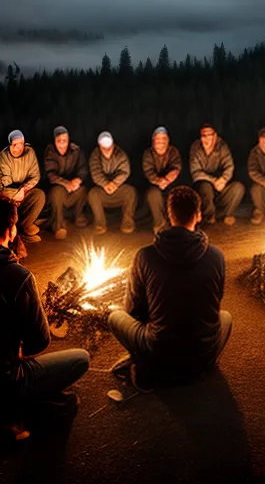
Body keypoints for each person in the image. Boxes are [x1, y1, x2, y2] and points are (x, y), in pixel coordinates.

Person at [0, 194, 90, 431]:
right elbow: (39, 342)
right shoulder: (19, 276)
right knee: (80, 359)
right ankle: (10, 409)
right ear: (11, 230)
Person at [108, 185, 231, 389]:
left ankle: (147, 364)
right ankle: (201, 365)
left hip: (160, 351)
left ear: (169, 215)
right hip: (202, 352)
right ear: (198, 215)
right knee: (225, 317)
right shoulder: (216, 256)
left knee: (115, 317)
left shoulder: (145, 256)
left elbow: (132, 310)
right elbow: (216, 302)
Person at [0, 129, 46, 244]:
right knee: (7, 206)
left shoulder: (29, 153)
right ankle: (14, 234)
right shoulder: (3, 156)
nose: (18, 147)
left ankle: (24, 227)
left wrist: (24, 189)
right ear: (11, 144)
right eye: (15, 144)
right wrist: (16, 193)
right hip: (8, 192)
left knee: (39, 195)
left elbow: (35, 175)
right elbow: (6, 181)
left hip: (24, 191)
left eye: (21, 144)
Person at [189, 123, 245, 226]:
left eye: (209, 135)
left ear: (215, 136)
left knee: (238, 188)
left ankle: (226, 214)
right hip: (205, 188)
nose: (206, 139)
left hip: (220, 187)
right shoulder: (195, 147)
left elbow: (229, 166)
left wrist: (223, 179)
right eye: (203, 136)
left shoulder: (222, 146)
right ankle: (209, 218)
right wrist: (213, 180)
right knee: (205, 186)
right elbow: (196, 172)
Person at [43, 126, 89, 239]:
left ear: (68, 140)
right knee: (57, 191)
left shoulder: (76, 150)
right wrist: (66, 183)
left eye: (65, 140)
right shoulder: (50, 152)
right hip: (57, 189)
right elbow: (51, 174)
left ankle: (78, 216)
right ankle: (59, 225)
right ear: (54, 141)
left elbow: (83, 168)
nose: (62, 144)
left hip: (72, 187)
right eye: (59, 141)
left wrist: (78, 179)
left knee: (82, 190)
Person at [88, 131, 137, 234]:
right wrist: (106, 184)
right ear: (99, 146)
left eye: (109, 147)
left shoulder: (121, 154)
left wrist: (114, 183)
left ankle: (127, 222)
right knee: (93, 194)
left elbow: (125, 171)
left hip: (118, 188)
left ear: (113, 144)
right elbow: (95, 172)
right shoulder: (95, 155)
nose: (107, 150)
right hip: (103, 189)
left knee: (131, 192)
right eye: (104, 148)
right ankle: (100, 224)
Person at [142, 126, 182, 231]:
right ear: (153, 141)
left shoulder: (173, 151)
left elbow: (176, 167)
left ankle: (178, 224)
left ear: (168, 140)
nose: (161, 143)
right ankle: (160, 226)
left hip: (170, 183)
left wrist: (167, 180)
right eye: (158, 140)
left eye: (163, 139)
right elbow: (148, 171)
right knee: (153, 194)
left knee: (179, 194)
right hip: (154, 185)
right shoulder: (148, 154)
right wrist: (159, 181)